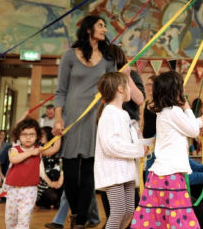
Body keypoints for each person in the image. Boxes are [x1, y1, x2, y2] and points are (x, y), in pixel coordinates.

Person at [53, 15, 116, 227]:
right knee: (70, 175)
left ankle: (80, 219)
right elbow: (60, 91)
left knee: (89, 173)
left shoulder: (108, 60)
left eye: (105, 26)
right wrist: (58, 119)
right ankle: (76, 213)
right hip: (71, 119)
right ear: (88, 29)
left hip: (95, 119)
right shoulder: (70, 56)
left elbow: (112, 89)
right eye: (100, 25)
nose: (105, 29)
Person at [130, 71, 203, 229]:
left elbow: (189, 127)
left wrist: (200, 120)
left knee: (160, 218)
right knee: (177, 217)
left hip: (163, 174)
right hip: (169, 175)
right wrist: (187, 108)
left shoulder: (166, 112)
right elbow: (192, 131)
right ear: (176, 91)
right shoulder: (173, 111)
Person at [95, 72, 145, 229]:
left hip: (126, 170)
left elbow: (126, 140)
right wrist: (137, 149)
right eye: (129, 86)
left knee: (129, 210)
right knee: (117, 212)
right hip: (114, 172)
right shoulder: (109, 113)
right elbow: (110, 144)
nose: (131, 90)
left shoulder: (123, 114)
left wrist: (139, 142)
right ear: (120, 89)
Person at [5, 117, 61, 228]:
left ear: (37, 136)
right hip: (13, 189)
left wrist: (58, 135)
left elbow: (54, 149)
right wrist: (31, 152)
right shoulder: (14, 149)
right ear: (18, 136)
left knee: (24, 220)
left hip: (29, 191)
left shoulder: (38, 150)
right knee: (10, 220)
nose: (28, 138)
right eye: (24, 135)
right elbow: (13, 159)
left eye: (32, 135)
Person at [37, 127, 63, 209]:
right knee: (52, 197)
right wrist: (50, 183)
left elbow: (62, 167)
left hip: (59, 181)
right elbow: (41, 172)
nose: (40, 136)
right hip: (45, 183)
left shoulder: (58, 150)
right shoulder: (38, 149)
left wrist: (59, 182)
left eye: (42, 134)